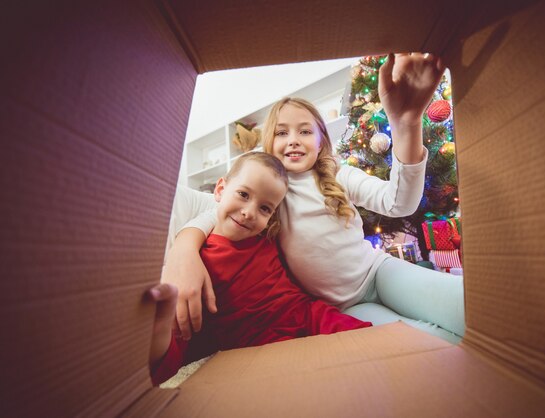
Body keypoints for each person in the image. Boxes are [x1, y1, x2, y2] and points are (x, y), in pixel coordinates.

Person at [163, 52, 464, 344]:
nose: (293, 139)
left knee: (464, 308)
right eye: (282, 133)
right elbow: (211, 214)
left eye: (304, 131)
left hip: (380, 273)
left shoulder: (337, 176)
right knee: (421, 342)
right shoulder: (267, 198)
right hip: (345, 307)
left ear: (321, 142)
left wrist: (406, 125)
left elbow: (399, 203)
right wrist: (183, 252)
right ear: (269, 143)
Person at [151, 152, 371, 385]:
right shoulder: (199, 262)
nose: (249, 212)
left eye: (265, 208)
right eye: (243, 195)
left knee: (372, 344)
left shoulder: (268, 237)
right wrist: (160, 329)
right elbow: (180, 346)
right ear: (219, 190)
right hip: (258, 347)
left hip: (309, 316)